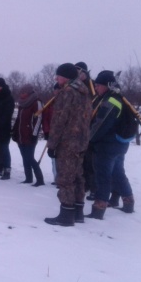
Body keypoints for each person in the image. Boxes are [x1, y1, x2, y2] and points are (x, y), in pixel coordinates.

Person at [44, 63, 91, 226]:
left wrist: (52, 144)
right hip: (81, 141)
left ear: (66, 77)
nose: (56, 79)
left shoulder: (67, 92)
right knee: (78, 176)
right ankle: (78, 212)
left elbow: (59, 120)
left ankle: (66, 214)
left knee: (65, 178)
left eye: (58, 76)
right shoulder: (84, 91)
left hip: (67, 142)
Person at [86, 70, 135, 219]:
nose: (96, 88)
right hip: (120, 144)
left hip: (107, 146)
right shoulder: (118, 98)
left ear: (107, 85)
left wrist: (88, 140)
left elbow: (101, 126)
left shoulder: (110, 101)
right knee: (118, 173)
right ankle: (128, 203)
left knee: (103, 177)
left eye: (98, 85)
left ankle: (98, 210)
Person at [12, 84, 45, 186]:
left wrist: (34, 134)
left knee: (30, 157)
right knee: (24, 157)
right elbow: (18, 119)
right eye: (21, 92)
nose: (21, 94)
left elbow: (39, 119)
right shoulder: (22, 104)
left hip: (30, 134)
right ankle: (28, 178)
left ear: (29, 93)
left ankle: (40, 179)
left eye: (24, 92)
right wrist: (14, 131)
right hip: (21, 135)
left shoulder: (36, 102)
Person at [75, 62, 97, 198]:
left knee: (90, 160)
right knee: (81, 159)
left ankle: (94, 187)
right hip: (79, 127)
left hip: (90, 127)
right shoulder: (77, 86)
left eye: (79, 72)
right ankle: (85, 185)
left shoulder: (92, 86)